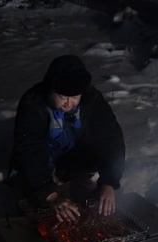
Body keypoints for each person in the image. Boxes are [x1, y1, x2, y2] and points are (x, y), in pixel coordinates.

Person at [11, 54, 125, 223]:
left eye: (74, 97)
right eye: (63, 97)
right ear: (50, 90)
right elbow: (29, 149)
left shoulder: (91, 99)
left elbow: (111, 138)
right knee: (30, 192)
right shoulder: (33, 104)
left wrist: (109, 181)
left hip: (74, 156)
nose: (68, 104)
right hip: (44, 156)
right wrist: (49, 193)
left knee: (84, 188)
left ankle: (74, 178)